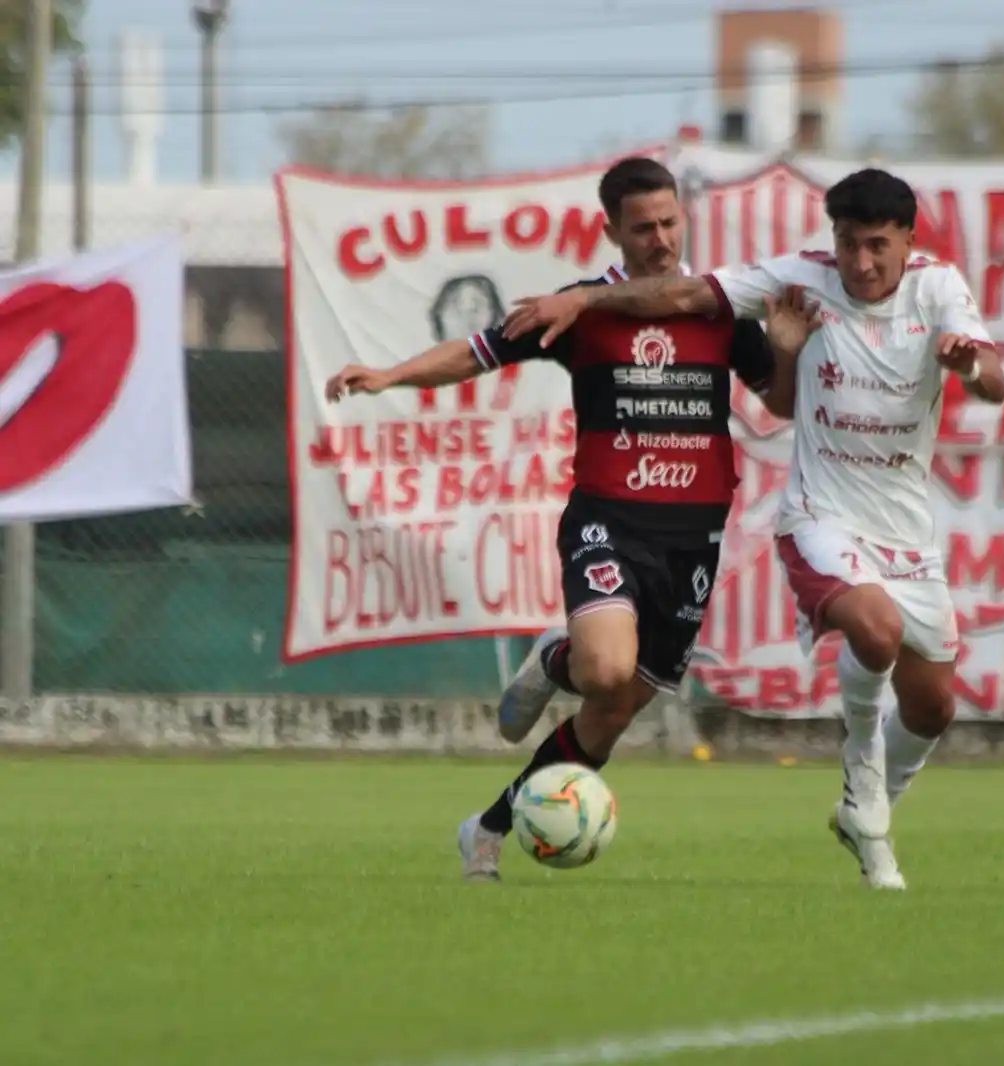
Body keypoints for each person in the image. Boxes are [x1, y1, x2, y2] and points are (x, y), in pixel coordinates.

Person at [502, 167, 1004, 890]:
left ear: (906, 241)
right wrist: (583, 296)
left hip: (906, 534)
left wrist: (971, 369)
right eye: (845, 244)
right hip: (820, 517)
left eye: (875, 247)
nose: (858, 264)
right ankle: (865, 802)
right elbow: (679, 292)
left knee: (933, 707)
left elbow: (993, 379)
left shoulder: (938, 289)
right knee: (875, 630)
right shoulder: (801, 275)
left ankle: (866, 807)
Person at [324, 156, 822, 882]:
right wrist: (391, 375)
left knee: (614, 712)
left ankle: (486, 828)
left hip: (693, 535)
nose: (658, 239)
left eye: (668, 222)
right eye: (642, 227)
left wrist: (783, 352)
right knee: (606, 670)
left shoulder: (718, 306)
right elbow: (477, 352)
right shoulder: (577, 309)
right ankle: (562, 657)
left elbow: (777, 405)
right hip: (609, 518)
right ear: (611, 231)